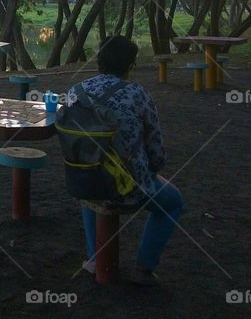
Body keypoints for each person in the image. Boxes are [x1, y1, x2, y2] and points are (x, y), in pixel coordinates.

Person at [67, 35, 183, 286]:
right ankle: (145, 265)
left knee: (93, 180)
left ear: (99, 61)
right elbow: (156, 150)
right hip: (128, 186)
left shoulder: (75, 92)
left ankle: (95, 259)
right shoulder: (138, 94)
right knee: (173, 202)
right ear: (129, 66)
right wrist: (152, 170)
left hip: (82, 180)